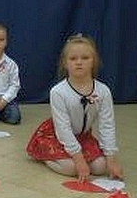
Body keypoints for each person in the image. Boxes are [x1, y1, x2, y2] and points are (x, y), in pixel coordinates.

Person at [26, 34, 123, 181]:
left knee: (100, 167)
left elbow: (107, 125)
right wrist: (79, 160)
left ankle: (87, 159)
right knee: (71, 168)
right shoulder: (58, 92)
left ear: (93, 61)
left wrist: (111, 158)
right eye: (73, 58)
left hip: (83, 137)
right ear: (65, 63)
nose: (79, 62)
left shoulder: (103, 91)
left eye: (85, 58)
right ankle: (44, 156)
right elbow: (63, 129)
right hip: (56, 136)